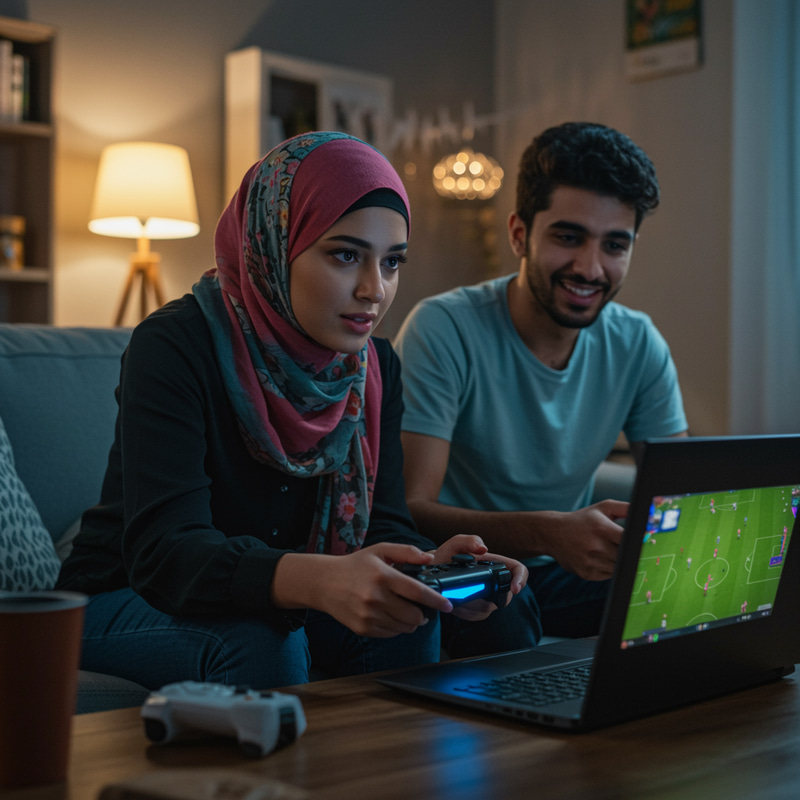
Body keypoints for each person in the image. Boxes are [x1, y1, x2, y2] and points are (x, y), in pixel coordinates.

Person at [56, 131, 527, 690]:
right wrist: (317, 580)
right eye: (346, 255)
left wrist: (429, 567)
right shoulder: (176, 344)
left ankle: (384, 779)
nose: (374, 289)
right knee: (260, 639)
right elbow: (167, 554)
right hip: (124, 595)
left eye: (393, 262)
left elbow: (385, 525)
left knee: (413, 619)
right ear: (276, 243)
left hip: (282, 595)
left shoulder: (374, 367)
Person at [394, 122, 688, 658]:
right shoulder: (443, 328)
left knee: (685, 588)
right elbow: (411, 509)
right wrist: (549, 534)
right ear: (519, 234)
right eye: (568, 237)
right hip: (468, 566)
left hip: (570, 573)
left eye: (614, 245)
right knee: (501, 608)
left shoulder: (638, 342)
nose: (590, 268)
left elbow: (684, 492)